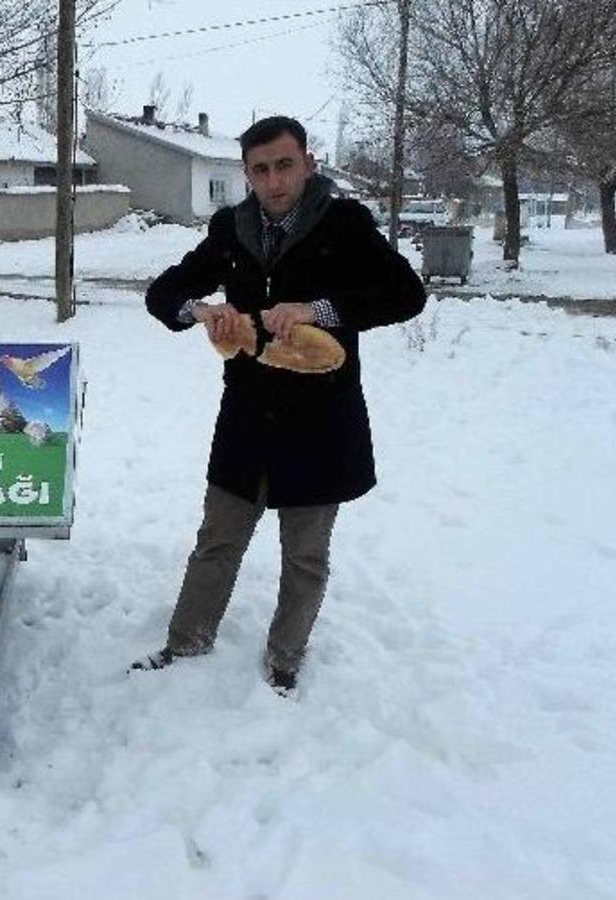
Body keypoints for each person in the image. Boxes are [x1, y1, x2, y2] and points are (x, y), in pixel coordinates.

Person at [130, 115, 426, 695]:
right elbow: (164, 293)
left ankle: (285, 659)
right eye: (260, 169)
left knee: (305, 556)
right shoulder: (230, 228)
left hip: (321, 422)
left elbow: (405, 294)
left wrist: (320, 310)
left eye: (284, 164)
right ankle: (186, 641)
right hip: (245, 417)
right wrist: (199, 311)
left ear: (308, 164)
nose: (274, 180)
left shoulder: (344, 224)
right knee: (217, 540)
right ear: (247, 174)